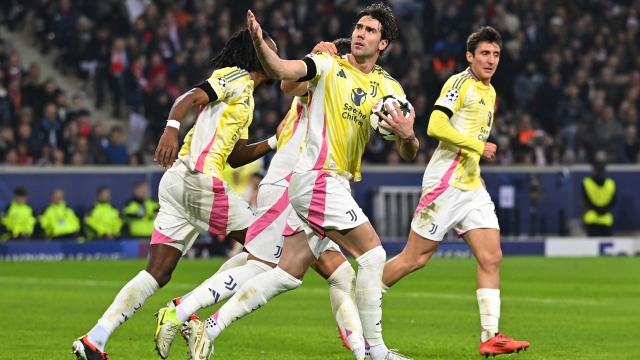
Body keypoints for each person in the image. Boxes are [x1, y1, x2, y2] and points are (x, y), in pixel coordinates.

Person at [185, 5, 419, 360]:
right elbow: (283, 72)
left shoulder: (390, 88)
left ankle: (209, 328)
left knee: (286, 274)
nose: (360, 33)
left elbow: (408, 151)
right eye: (358, 27)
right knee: (373, 256)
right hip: (316, 178)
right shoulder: (328, 64)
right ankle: (376, 351)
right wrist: (260, 43)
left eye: (370, 30)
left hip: (333, 182)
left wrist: (407, 136)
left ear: (383, 42)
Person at [72, 28, 280, 360]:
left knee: (158, 273)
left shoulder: (248, 99)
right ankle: (183, 311)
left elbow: (237, 155)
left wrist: (273, 142)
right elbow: (189, 97)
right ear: (256, 54)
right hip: (199, 179)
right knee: (268, 251)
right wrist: (171, 129)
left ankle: (95, 338)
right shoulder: (235, 76)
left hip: (178, 182)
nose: (276, 56)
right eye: (270, 49)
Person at [153, 38, 367, 359]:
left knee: (338, 273)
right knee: (270, 269)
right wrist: (316, 55)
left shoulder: (349, 92)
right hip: (290, 185)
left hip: (312, 187)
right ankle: (186, 316)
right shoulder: (325, 76)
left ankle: (367, 351)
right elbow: (288, 83)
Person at [380, 27, 530, 357]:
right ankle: (356, 302)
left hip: (471, 185)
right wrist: (477, 146)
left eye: (495, 54)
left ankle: (491, 336)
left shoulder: (490, 92)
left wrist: (475, 169)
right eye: (485, 54)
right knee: (415, 259)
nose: (491, 60)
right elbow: (435, 126)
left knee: (492, 257)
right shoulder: (459, 84)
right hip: (445, 185)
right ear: (470, 56)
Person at [582, 154, 616, 237]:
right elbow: (613, 202)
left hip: (592, 218)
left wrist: (597, 209)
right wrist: (603, 210)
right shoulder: (611, 184)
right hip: (606, 218)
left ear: (594, 169)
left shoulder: (587, 183)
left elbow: (587, 201)